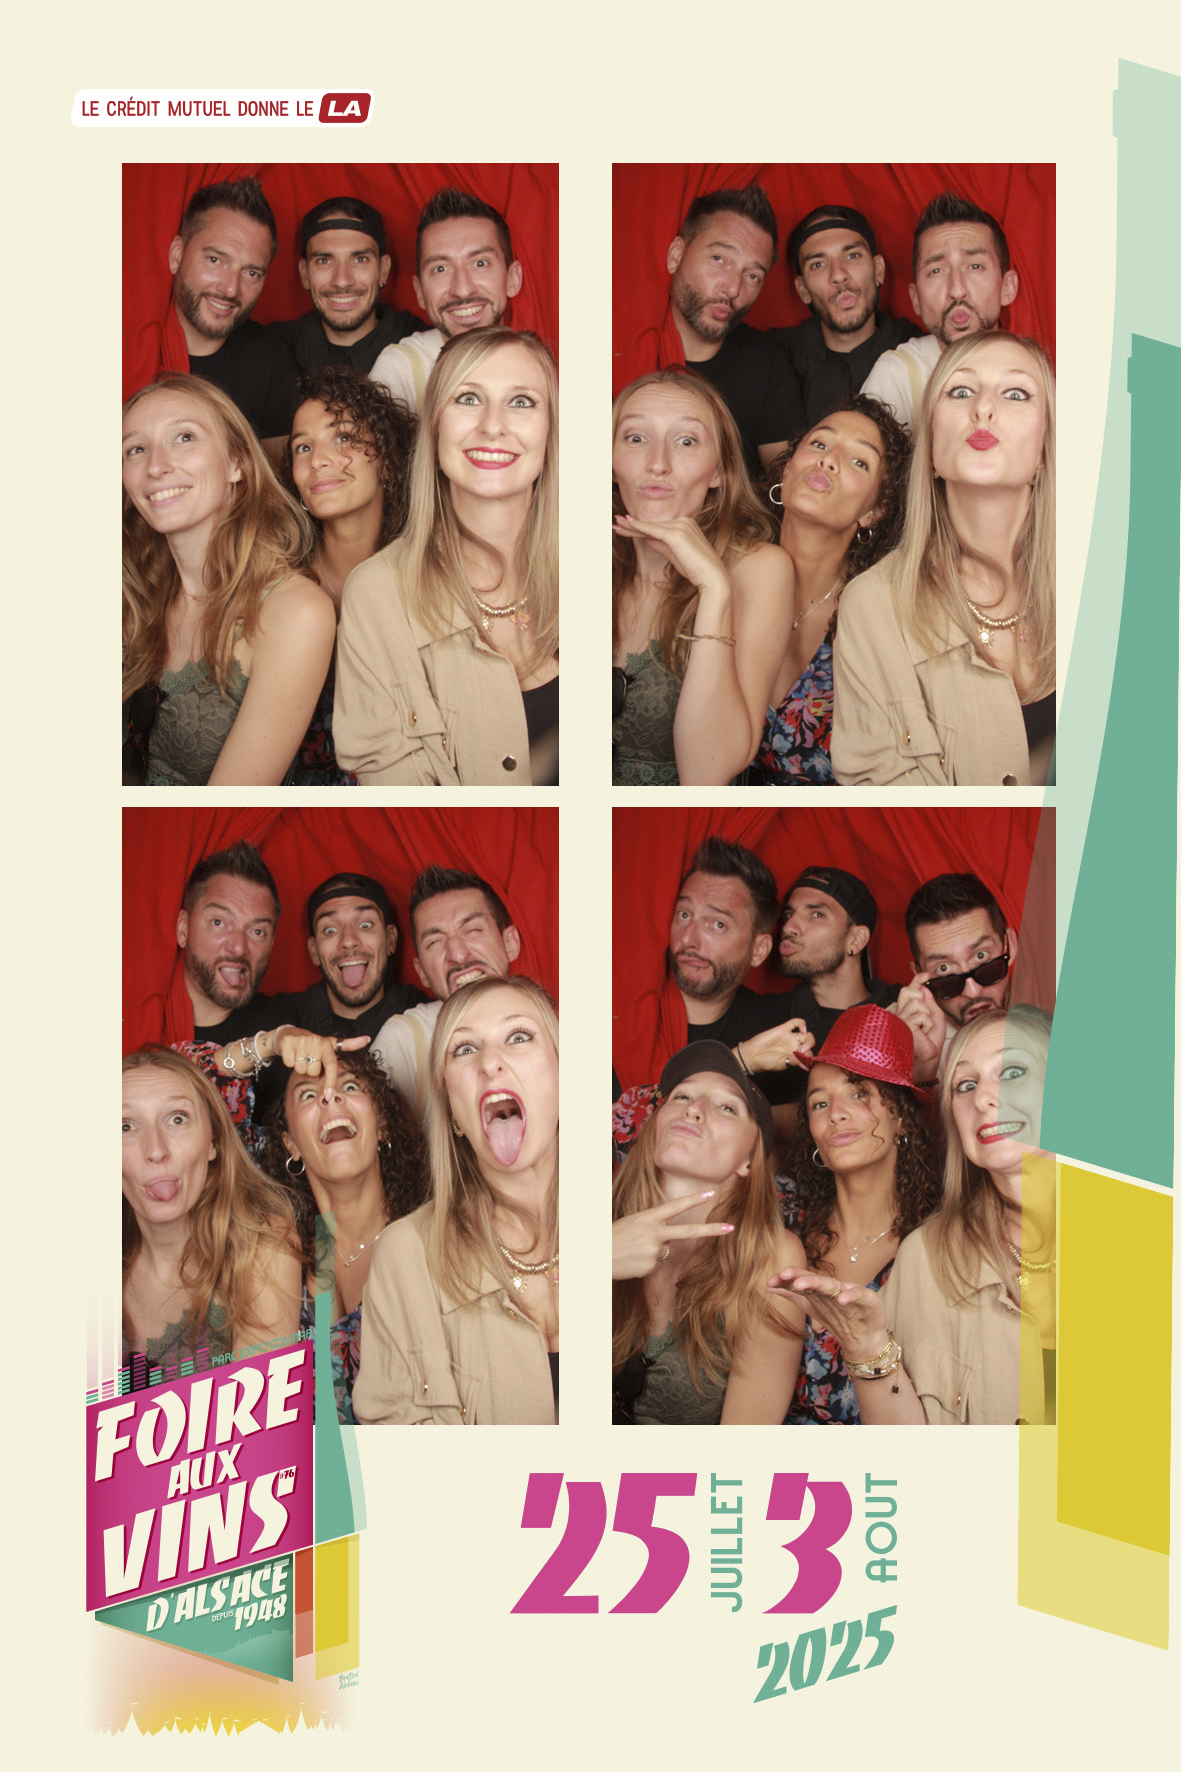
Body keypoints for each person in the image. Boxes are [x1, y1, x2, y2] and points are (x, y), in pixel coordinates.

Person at [771, 1005, 1055, 1424]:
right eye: (966, 1085)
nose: (983, 1097)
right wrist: (867, 1345)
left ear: (902, 1117)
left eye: (1012, 1072)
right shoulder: (928, 1255)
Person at [335, 328, 558, 786]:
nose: (492, 425)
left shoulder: (606, 569)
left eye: (521, 401)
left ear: (552, 434)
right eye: (467, 398)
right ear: (434, 430)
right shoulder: (377, 594)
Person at [832, 332, 1055, 786]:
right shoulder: (872, 606)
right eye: (960, 391)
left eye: (1015, 393)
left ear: (1043, 449)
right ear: (931, 447)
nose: (983, 408)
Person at [353, 978, 559, 1425]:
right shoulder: (407, 1254)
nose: (490, 1063)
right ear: (452, 1111)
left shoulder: (628, 1223)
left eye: (518, 1037)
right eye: (464, 1049)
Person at [122, 374, 336, 787]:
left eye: (184, 437)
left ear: (236, 463)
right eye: (135, 449)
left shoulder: (295, 612)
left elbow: (226, 809)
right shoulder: (128, 586)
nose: (155, 466)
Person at [611, 368, 793, 786]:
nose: (658, 463)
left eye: (686, 441)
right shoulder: (570, 555)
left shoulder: (761, 568)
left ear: (718, 471)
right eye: (636, 438)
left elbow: (708, 773)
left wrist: (714, 588)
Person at [611, 1042, 806, 1424]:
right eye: (682, 1096)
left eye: (727, 1107)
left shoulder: (771, 1256)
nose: (694, 1109)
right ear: (655, 1128)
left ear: (749, 1159)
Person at [778, 1005, 941, 1423]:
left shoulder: (939, 1245)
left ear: (901, 1118)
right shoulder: (782, 1216)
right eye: (819, 1103)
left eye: (859, 1093)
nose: (835, 1113)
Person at [746, 395, 909, 783]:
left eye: (859, 461)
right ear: (787, 468)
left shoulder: (884, 617)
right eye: (820, 443)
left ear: (875, 510)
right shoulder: (726, 569)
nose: (829, 459)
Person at [260, 1051, 429, 1423]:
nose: (330, 1096)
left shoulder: (436, 1240)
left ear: (382, 1126)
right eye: (308, 1094)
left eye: (350, 1086)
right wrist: (272, 1041)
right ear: (291, 1145)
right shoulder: (279, 1258)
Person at [121, 1046, 301, 1380]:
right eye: (126, 1127)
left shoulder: (262, 1246)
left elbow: (260, 1411)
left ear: (213, 1142)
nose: (156, 1150)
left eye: (177, 1119)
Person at [283, 367, 417, 783]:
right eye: (303, 447)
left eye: (342, 437)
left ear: (388, 460)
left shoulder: (426, 580)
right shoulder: (276, 582)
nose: (318, 459)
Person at [657, 184, 803, 475]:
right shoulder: (623, 346)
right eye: (719, 259)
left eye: (752, 275)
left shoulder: (767, 362)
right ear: (676, 255)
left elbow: (788, 483)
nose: (733, 288)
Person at [862, 192, 1020, 433]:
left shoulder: (1033, 373)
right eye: (936, 271)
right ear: (915, 299)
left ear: (1007, 287)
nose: (957, 290)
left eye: (975, 266)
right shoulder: (897, 374)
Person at [372, 866, 522, 1115]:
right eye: (435, 941)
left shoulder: (556, 1031)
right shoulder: (404, 1040)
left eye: (472, 930)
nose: (458, 954)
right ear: (421, 972)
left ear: (510, 943)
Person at [164, 176, 298, 441]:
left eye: (251, 273)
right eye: (215, 260)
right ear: (177, 255)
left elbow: (276, 464)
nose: (230, 289)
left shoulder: (272, 359)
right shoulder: (131, 339)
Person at [370, 189, 524, 413]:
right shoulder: (400, 369)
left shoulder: (537, 365)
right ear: (420, 292)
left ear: (513, 278)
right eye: (440, 269)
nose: (462, 290)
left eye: (480, 263)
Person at [768, 205, 922, 425]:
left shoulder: (918, 352)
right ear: (803, 290)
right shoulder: (774, 357)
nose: (839, 275)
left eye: (852, 255)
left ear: (878, 270)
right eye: (818, 264)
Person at [271, 197, 425, 376]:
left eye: (360, 259)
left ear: (383, 271)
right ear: (304, 274)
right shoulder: (272, 349)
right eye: (324, 261)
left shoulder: (425, 349)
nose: (342, 280)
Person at [893, 872, 1020, 1083]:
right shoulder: (890, 1039)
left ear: (1010, 946)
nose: (972, 991)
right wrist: (923, 1070)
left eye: (981, 956)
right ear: (919, 975)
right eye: (944, 969)